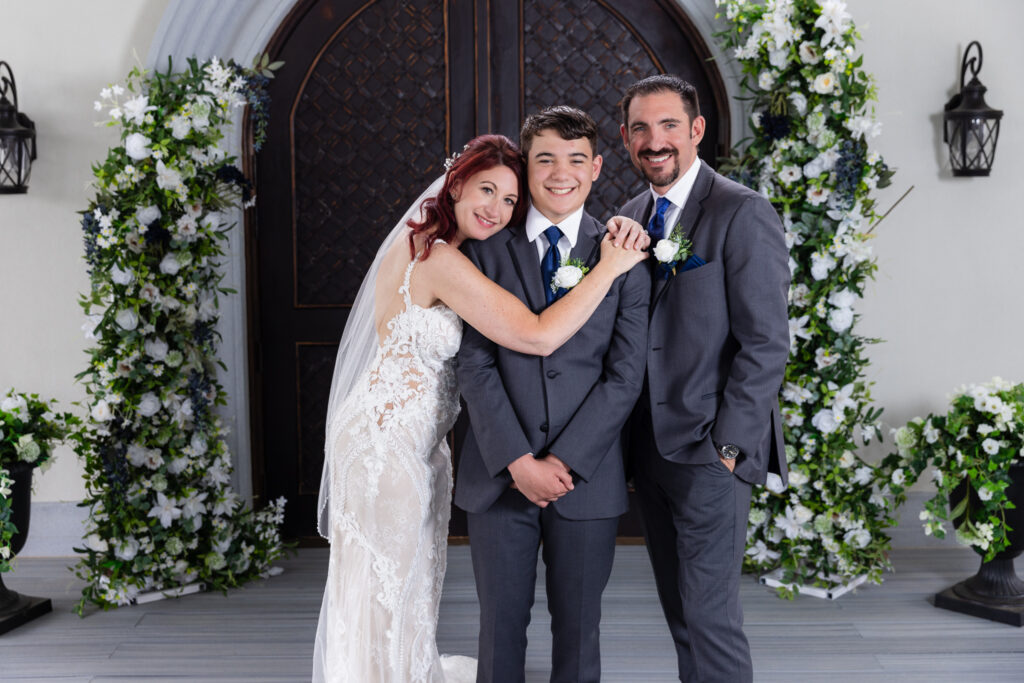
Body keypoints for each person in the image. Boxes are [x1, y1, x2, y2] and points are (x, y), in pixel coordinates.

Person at [312, 133, 649, 683]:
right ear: (457, 183)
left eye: (511, 201)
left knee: (389, 591)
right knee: (385, 588)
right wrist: (610, 269)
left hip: (400, 436)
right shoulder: (441, 258)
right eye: (487, 190)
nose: (497, 209)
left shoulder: (428, 244)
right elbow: (537, 337)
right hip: (388, 445)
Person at [455, 108, 651, 683]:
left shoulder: (624, 256)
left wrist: (563, 463)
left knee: (579, 632)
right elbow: (475, 362)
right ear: (527, 166)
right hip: (498, 477)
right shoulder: (484, 251)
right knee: (499, 630)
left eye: (574, 160)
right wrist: (518, 462)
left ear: (594, 169)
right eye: (544, 159)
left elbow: (624, 375)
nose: (559, 173)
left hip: (585, 479)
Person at [614, 74, 790, 683]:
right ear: (626, 138)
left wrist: (730, 447)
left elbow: (766, 342)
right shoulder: (631, 218)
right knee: (682, 615)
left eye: (668, 126)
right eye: (641, 128)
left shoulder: (742, 212)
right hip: (650, 450)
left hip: (711, 449)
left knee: (711, 619)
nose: (654, 140)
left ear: (696, 131)